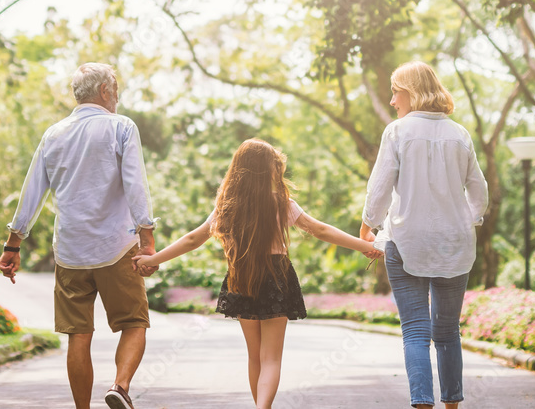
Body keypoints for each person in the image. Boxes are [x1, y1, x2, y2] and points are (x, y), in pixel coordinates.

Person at [133, 138, 379, 409]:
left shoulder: (227, 207)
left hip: (242, 276)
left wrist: (153, 258)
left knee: (255, 357)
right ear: (269, 170)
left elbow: (193, 240)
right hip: (277, 276)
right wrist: (365, 246)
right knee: (271, 358)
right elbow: (320, 230)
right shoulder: (282, 203)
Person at [0, 63, 158, 409]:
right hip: (117, 247)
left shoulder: (53, 134)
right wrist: (147, 238)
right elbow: (135, 184)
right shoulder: (121, 127)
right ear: (104, 91)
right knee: (134, 322)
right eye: (115, 88)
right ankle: (120, 386)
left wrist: (13, 245)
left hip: (70, 254)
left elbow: (32, 192)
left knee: (78, 335)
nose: (117, 96)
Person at [360, 61, 488, 409]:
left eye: (395, 91)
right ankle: (452, 405)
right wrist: (467, 220)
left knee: (415, 331)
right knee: (447, 332)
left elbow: (380, 187)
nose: (391, 101)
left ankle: (421, 403)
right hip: (455, 244)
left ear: (410, 91)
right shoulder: (459, 134)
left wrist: (368, 226)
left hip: (406, 241)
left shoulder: (398, 131)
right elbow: (480, 191)